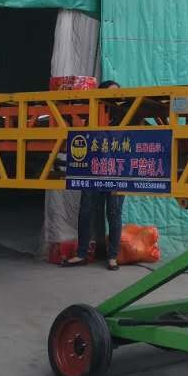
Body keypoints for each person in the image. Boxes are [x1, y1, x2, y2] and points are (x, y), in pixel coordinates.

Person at [63, 80, 126, 271]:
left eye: (117, 94)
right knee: (86, 211)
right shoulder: (90, 114)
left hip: (116, 173)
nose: (114, 98)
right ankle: (81, 254)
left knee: (114, 213)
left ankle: (112, 257)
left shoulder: (125, 115)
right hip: (92, 171)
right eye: (110, 94)